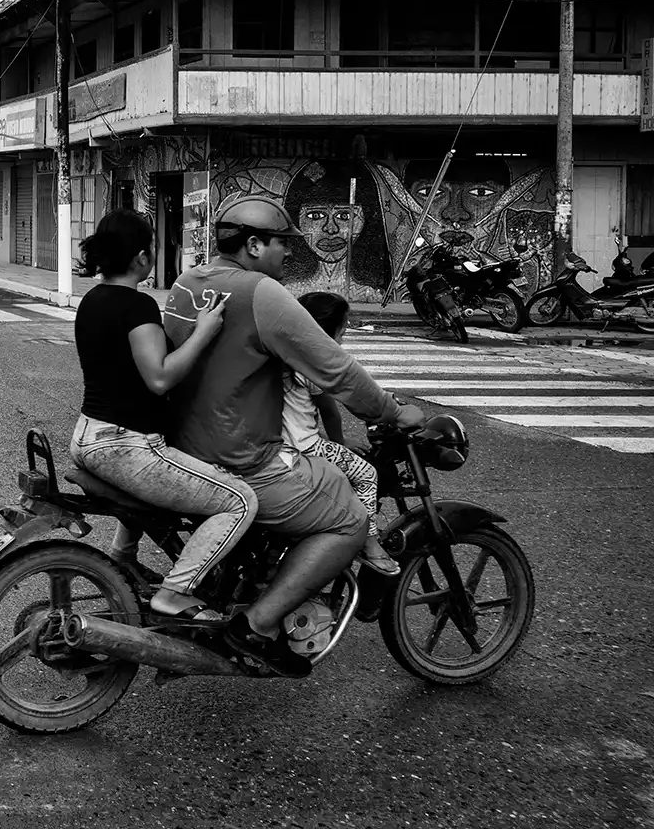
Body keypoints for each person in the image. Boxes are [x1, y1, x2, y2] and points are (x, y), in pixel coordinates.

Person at [164, 195, 422, 676]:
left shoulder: (187, 283)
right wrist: (392, 411)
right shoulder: (262, 293)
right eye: (282, 243)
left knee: (324, 475)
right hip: (239, 456)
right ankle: (257, 627)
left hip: (185, 446)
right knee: (349, 520)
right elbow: (335, 370)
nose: (288, 253)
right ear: (255, 244)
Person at [71, 210, 252, 622]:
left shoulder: (92, 300)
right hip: (126, 446)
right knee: (240, 501)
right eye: (150, 247)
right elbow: (159, 378)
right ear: (140, 257)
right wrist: (205, 331)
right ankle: (175, 593)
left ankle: (123, 558)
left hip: (89, 435)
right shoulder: (136, 306)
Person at [285, 292, 399, 576]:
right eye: (344, 324)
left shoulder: (287, 351)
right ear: (330, 328)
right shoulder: (315, 359)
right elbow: (331, 408)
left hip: (281, 443)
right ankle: (369, 543)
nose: (346, 329)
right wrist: (340, 441)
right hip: (306, 447)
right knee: (366, 473)